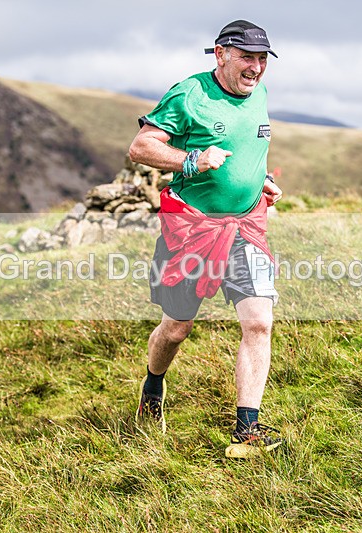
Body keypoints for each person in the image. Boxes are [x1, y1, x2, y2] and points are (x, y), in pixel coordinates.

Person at [128, 20, 284, 458]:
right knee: (177, 328)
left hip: (245, 226)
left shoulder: (261, 95)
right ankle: (153, 386)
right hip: (193, 229)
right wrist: (192, 160)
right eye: (246, 58)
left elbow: (252, 148)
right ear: (220, 54)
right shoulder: (189, 94)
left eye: (261, 60)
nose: (255, 68)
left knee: (259, 321)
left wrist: (262, 181)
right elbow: (141, 147)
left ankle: (247, 431)